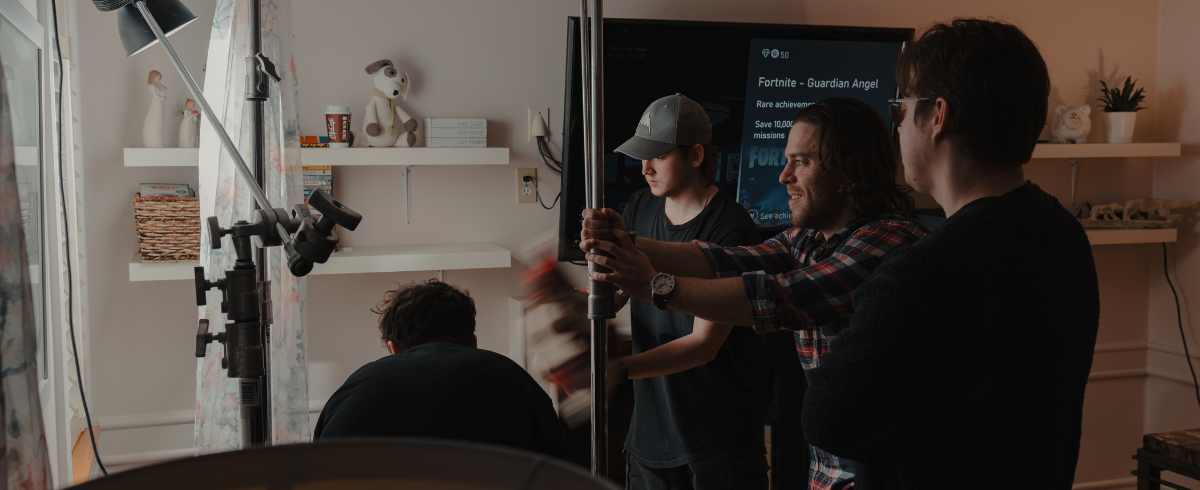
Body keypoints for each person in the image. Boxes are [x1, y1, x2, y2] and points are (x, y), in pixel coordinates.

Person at [798, 19, 1100, 489]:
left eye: (900, 108)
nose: (896, 125)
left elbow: (828, 421)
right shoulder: (1063, 233)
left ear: (938, 116)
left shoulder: (927, 271)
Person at [581, 97, 927, 489]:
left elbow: (781, 298)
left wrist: (652, 285)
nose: (783, 176)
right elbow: (728, 260)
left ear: (850, 168)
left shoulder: (888, 242)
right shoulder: (809, 239)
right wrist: (624, 240)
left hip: (887, 474)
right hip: (830, 474)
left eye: (802, 161)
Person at [607, 94, 767, 490]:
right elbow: (619, 291)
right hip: (649, 437)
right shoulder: (640, 207)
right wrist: (576, 303)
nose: (644, 168)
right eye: (642, 156)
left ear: (696, 156)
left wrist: (618, 371)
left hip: (715, 443)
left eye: (657, 156)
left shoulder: (732, 229)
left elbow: (703, 344)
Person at [313, 279, 567, 459]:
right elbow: (558, 468)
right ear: (473, 343)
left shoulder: (353, 388)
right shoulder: (514, 380)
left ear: (394, 348)